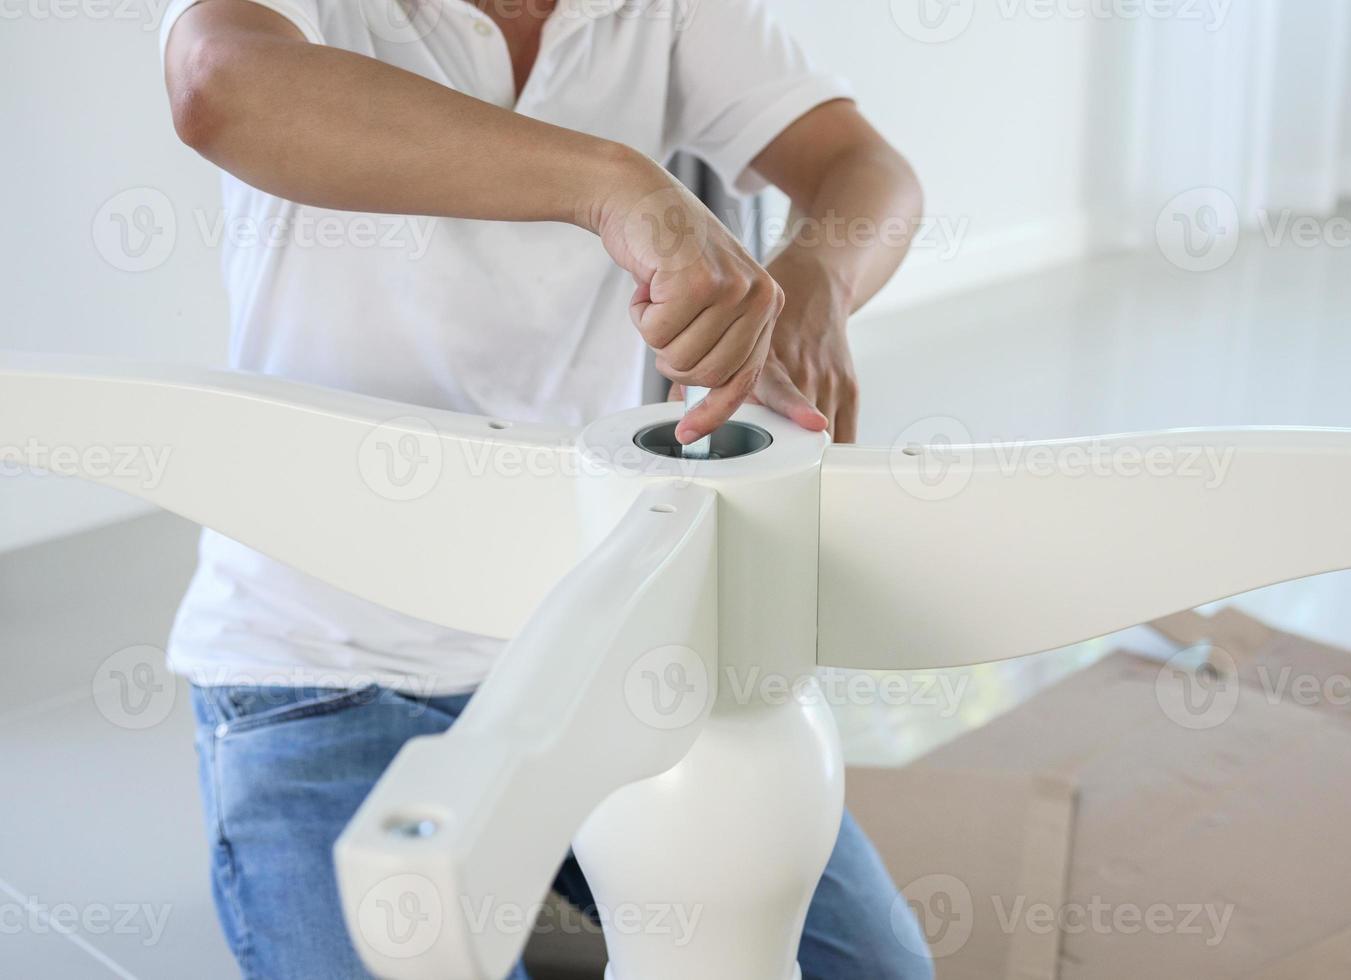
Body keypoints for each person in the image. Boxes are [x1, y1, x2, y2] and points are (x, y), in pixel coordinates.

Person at [159, 0, 929, 976]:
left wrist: (820, 280)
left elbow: (870, 170)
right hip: (316, 668)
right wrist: (611, 184)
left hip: (587, 641)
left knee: (874, 969)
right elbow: (219, 86)